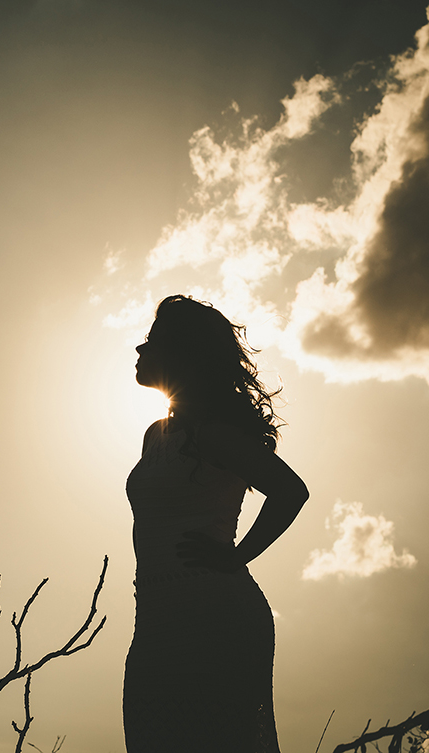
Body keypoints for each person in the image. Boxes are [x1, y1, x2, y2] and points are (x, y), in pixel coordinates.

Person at [123, 296, 308, 753]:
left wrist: (237, 556)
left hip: (214, 616)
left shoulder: (215, 433)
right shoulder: (155, 436)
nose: (140, 349)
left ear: (182, 353)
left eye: (152, 342)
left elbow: (291, 492)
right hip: (156, 618)